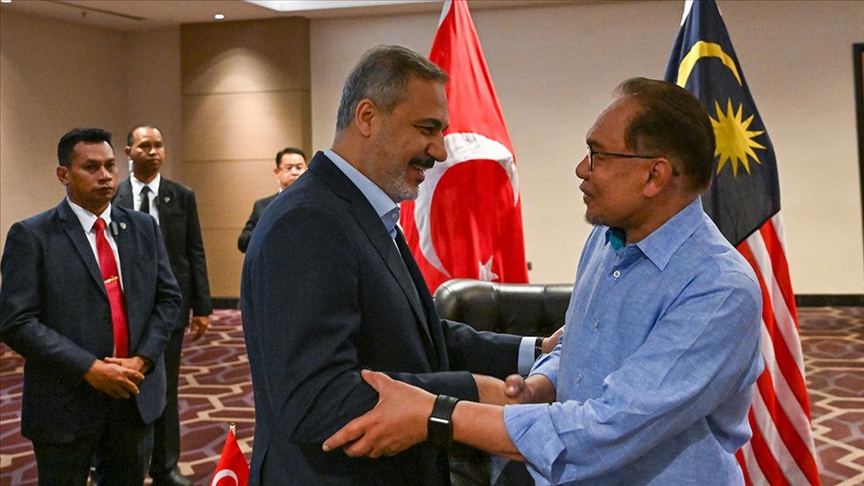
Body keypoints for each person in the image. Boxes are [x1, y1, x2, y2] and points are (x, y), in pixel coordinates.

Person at [323, 77, 765, 485]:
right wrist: (540, 385)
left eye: (598, 154)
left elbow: (610, 427)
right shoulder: (606, 241)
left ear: (655, 175)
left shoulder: (719, 289)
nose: (581, 168)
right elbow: (583, 342)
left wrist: (437, 415)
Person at [241, 44, 556, 485]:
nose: (440, 151)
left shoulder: (363, 211)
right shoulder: (308, 221)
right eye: (427, 129)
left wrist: (536, 351)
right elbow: (316, 399)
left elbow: (414, 335)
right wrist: (471, 394)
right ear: (367, 117)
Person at [0, 128, 182, 485]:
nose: (105, 176)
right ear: (63, 174)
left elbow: (169, 299)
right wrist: (89, 368)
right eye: (91, 167)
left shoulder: (143, 227)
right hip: (66, 403)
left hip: (133, 394)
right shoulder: (32, 236)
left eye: (110, 166)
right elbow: (16, 322)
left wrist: (142, 360)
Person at [113, 125, 213, 486]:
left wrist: (202, 305)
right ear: (128, 152)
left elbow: (194, 250)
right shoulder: (114, 196)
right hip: (122, 309)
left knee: (165, 388)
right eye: (145, 146)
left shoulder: (180, 195)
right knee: (122, 386)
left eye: (159, 145)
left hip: (170, 307)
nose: (153, 152)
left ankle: (165, 466)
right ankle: (117, 461)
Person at [237, 147, 307, 253]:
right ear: (277, 172)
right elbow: (243, 243)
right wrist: (267, 228)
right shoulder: (263, 206)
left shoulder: (318, 202)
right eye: (289, 168)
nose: (294, 172)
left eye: (299, 168)